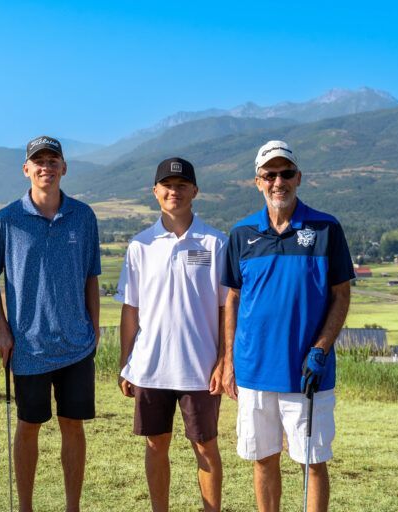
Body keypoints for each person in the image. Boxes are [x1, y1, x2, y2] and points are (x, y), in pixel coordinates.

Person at [220, 140, 354, 512]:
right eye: (270, 174)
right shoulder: (241, 234)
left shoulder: (326, 229)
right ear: (257, 181)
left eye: (286, 173)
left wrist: (320, 350)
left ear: (299, 177)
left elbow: (341, 295)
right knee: (263, 459)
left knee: (311, 462)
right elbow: (233, 298)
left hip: (307, 372)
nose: (279, 181)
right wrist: (229, 359)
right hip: (254, 371)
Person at [0, 135, 101, 512]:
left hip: (77, 345)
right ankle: (26, 508)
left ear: (64, 168)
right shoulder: (6, 220)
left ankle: (72, 507)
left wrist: (94, 329)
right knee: (28, 426)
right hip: (28, 346)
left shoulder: (83, 217)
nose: (46, 167)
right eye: (39, 161)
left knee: (72, 425)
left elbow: (91, 277)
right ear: (26, 169)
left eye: (53, 161)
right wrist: (2, 330)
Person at [116, 157, 228, 512]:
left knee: (206, 447)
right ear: (155, 192)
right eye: (167, 185)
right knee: (155, 445)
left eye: (181, 185)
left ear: (195, 191)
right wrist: (125, 361)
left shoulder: (216, 243)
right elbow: (130, 309)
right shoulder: (140, 245)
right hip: (150, 367)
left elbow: (227, 308)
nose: (173, 191)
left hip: (200, 367)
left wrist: (225, 360)